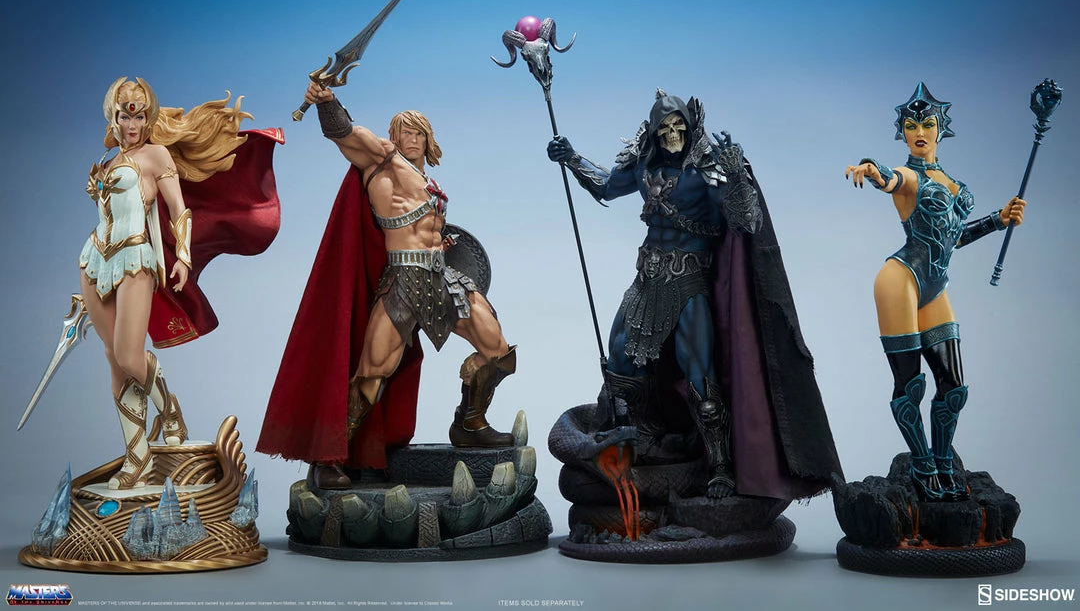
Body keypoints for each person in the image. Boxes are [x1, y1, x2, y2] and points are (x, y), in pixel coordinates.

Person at [548, 89, 841, 500]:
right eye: (664, 127)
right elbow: (607, 185)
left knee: (699, 373)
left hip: (689, 282)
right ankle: (641, 437)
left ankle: (720, 466)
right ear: (654, 131)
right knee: (620, 361)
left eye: (678, 126)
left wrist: (736, 177)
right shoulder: (644, 165)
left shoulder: (705, 169)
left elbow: (744, 219)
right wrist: (572, 157)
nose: (672, 134)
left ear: (689, 127)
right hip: (647, 279)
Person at [257, 83, 518, 490]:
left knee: (499, 352)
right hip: (403, 284)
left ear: (428, 139)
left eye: (417, 133)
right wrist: (328, 103)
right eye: (403, 132)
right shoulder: (382, 161)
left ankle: (469, 423)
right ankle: (329, 457)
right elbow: (346, 135)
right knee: (372, 373)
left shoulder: (427, 180)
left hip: (442, 277)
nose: (409, 139)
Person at [80, 77, 280, 490]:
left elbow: (178, 207)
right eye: (125, 117)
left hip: (135, 259)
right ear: (113, 118)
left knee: (129, 355)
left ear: (147, 118)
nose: (132, 125)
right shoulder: (108, 163)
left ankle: (169, 410)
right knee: (114, 359)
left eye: (139, 117)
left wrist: (184, 256)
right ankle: (136, 457)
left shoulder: (156, 155)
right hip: (94, 261)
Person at [845, 82, 1025, 501]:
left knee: (953, 388)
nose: (920, 131)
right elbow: (891, 178)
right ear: (903, 133)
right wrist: (870, 168)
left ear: (941, 130)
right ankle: (923, 466)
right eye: (911, 126)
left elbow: (954, 238)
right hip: (901, 279)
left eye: (927, 123)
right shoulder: (910, 177)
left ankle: (944, 463)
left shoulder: (954, 185)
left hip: (935, 287)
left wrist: (999, 219)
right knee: (911, 386)